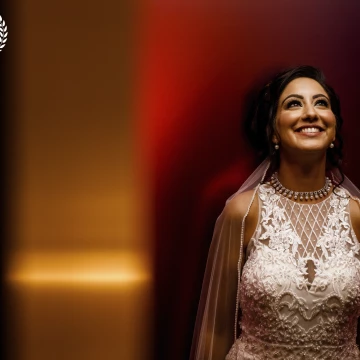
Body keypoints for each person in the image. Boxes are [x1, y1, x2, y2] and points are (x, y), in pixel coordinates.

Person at [190, 65, 360, 359]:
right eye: (294, 103)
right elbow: (215, 330)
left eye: (321, 103)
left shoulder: (356, 214)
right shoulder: (243, 211)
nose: (311, 113)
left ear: (333, 127)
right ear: (274, 130)